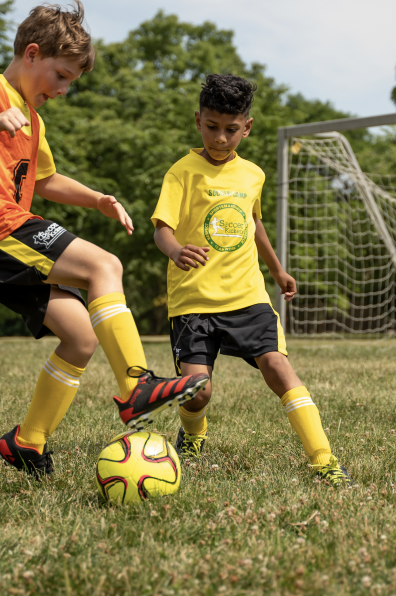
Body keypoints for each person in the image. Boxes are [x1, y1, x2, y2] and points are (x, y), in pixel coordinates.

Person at [0, 0, 208, 478]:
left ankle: (26, 442)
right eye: (62, 76)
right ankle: (136, 385)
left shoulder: (32, 119)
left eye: (71, 81)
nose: (65, 89)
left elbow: (45, 180)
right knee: (103, 266)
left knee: (80, 337)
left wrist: (97, 199)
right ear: (31, 53)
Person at [150, 73, 352, 487]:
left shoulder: (253, 175)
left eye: (230, 130)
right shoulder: (181, 172)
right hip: (195, 301)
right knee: (198, 391)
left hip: (247, 296)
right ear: (197, 120)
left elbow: (253, 223)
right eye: (211, 127)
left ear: (247, 127)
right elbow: (161, 228)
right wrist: (175, 250)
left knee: (278, 367)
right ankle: (193, 434)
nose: (220, 139)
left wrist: (277, 270)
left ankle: (323, 458)